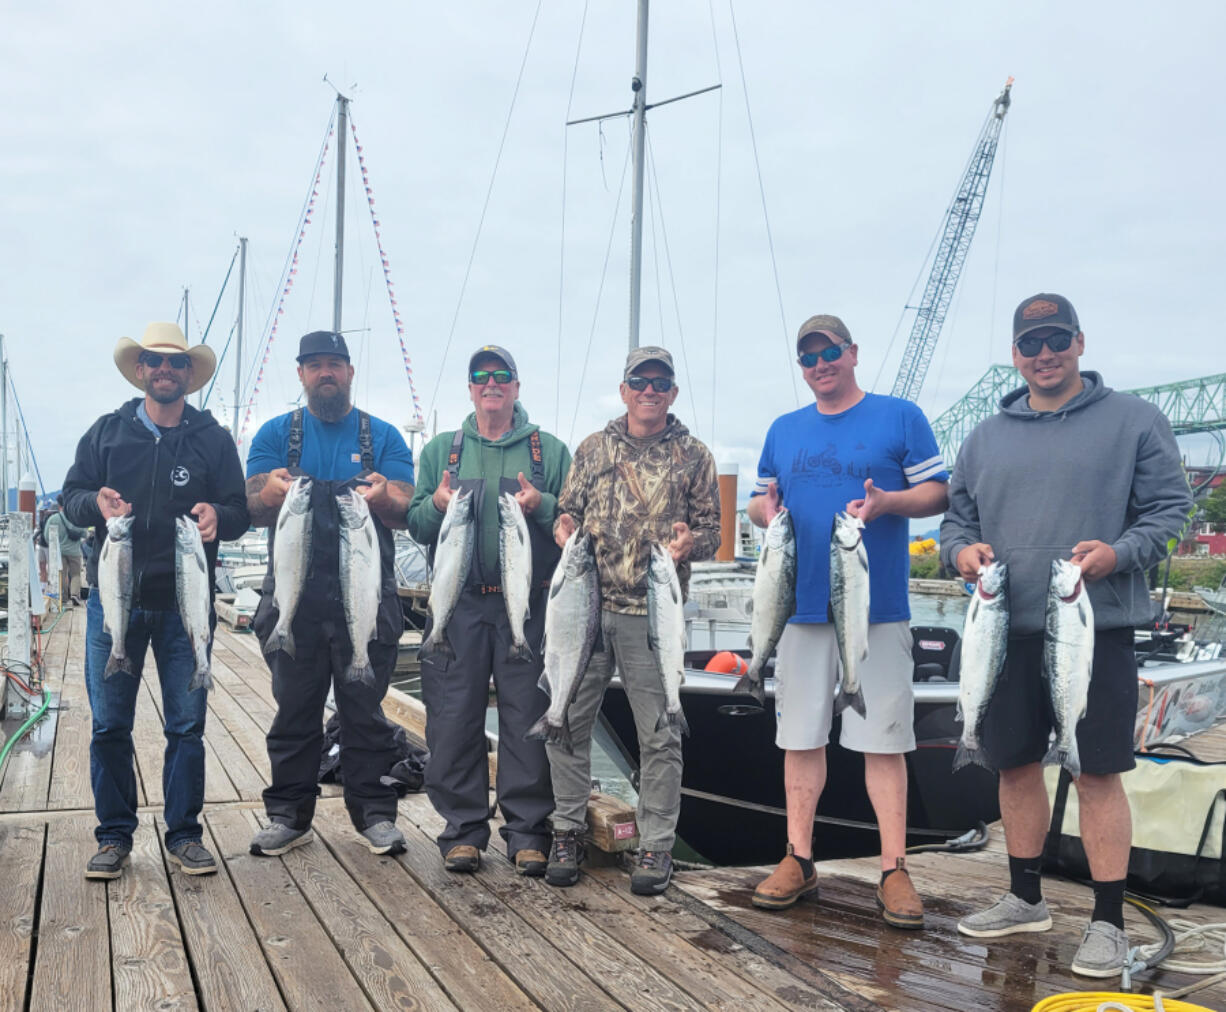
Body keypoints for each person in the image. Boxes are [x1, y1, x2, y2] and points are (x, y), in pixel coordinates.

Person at [940, 293, 1193, 976]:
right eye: (1030, 343)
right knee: (1015, 766)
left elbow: (1172, 512)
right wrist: (959, 553)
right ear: (1015, 354)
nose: (1044, 354)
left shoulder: (1135, 421)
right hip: (1005, 631)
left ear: (1080, 342)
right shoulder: (983, 437)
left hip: (1093, 629)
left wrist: (1119, 553)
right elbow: (955, 521)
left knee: (1097, 772)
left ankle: (1108, 922)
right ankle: (1025, 896)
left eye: (1056, 339)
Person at [746, 314, 949, 928]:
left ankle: (894, 868)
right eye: (808, 357)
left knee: (884, 737)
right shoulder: (783, 430)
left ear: (852, 352)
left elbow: (938, 493)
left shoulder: (900, 416)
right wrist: (764, 511)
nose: (820, 364)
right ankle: (798, 858)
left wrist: (889, 503)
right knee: (799, 735)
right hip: (799, 608)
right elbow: (759, 500)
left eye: (830, 352)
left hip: (875, 607)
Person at [61, 321, 248, 879]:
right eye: (154, 361)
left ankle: (185, 833)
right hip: (113, 605)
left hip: (184, 607)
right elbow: (70, 500)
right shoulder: (106, 433)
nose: (165, 370)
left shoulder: (213, 439)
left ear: (189, 374)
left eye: (176, 363)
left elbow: (237, 511)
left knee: (187, 727)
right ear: (140, 369)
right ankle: (115, 835)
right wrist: (95, 501)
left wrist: (221, 517)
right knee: (109, 726)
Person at [546, 346, 720, 895]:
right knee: (567, 721)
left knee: (661, 734)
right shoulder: (593, 447)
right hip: (586, 609)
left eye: (659, 383)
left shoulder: (695, 455)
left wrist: (694, 542)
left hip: (654, 618)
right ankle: (568, 829)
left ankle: (655, 845)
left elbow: (713, 534)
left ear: (671, 392)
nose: (649, 391)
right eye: (639, 382)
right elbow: (567, 509)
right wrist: (564, 525)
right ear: (623, 390)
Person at [245, 330, 416, 859]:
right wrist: (268, 493)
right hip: (295, 596)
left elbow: (407, 507)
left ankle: (376, 817)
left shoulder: (382, 436)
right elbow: (250, 504)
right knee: (293, 709)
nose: (326, 373)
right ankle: (287, 815)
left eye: (335, 365)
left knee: (365, 712)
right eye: (315, 365)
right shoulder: (276, 434)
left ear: (349, 372)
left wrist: (386, 495)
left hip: (365, 596)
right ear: (300, 374)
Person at [406, 345, 571, 875]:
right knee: (452, 719)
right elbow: (416, 527)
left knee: (528, 717)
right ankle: (462, 830)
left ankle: (527, 831)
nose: (491, 383)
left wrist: (540, 506)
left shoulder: (550, 451)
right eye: (482, 376)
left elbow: (573, 524)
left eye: (502, 376)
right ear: (471, 387)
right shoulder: (440, 450)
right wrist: (434, 505)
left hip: (526, 605)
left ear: (517, 388)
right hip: (457, 606)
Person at [45, 495, 89, 605]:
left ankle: (63, 598)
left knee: (62, 575)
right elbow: (85, 534)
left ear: (59, 505)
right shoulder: (77, 518)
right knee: (76, 574)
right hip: (74, 551)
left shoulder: (54, 518)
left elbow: (46, 536)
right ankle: (74, 595)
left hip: (60, 552)